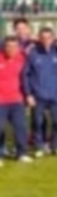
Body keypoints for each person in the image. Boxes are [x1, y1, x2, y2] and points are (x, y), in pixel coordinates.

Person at [23, 28, 57, 157]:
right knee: (38, 122)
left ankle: (56, 145)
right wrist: (29, 94)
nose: (46, 40)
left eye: (49, 37)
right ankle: (39, 146)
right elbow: (26, 75)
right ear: (39, 39)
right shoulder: (33, 54)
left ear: (53, 39)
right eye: (43, 37)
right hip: (38, 95)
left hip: (56, 95)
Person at [0, 37, 31, 165]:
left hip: (17, 100)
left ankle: (22, 153)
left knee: (21, 128)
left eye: (14, 46)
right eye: (8, 46)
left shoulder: (22, 58)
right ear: (3, 47)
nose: (11, 49)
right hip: (1, 101)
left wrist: (28, 95)